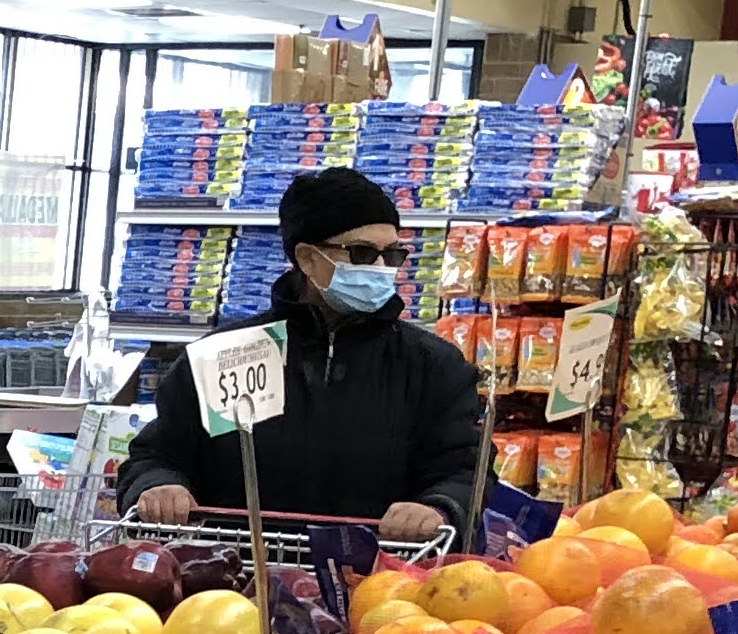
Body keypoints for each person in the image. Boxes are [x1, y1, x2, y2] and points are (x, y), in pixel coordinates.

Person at [117, 165, 484, 545]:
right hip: (230, 580)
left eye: (391, 255)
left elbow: (464, 469)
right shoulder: (226, 356)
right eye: (361, 253)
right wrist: (159, 486)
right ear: (307, 259)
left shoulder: (434, 367)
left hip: (382, 587)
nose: (380, 269)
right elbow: (157, 453)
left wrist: (438, 507)